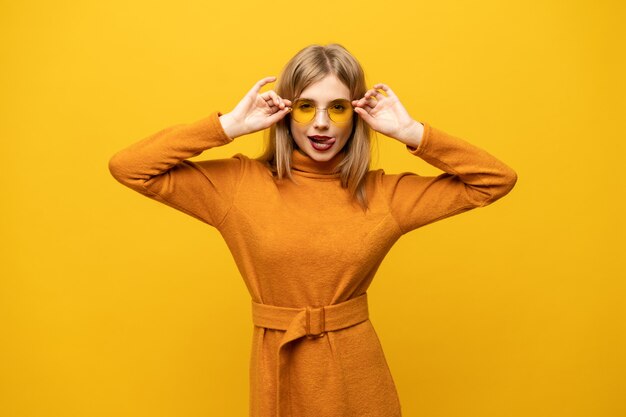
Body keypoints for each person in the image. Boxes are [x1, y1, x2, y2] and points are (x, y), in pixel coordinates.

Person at [108, 43, 517, 417]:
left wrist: (413, 134)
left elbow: (494, 180)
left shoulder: (383, 194)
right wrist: (226, 127)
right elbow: (129, 168)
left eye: (337, 108)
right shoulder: (238, 186)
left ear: (357, 115)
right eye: (306, 107)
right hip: (277, 363)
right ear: (286, 112)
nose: (321, 124)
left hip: (356, 373)